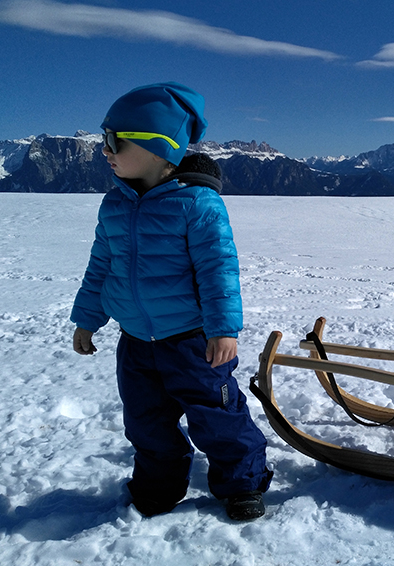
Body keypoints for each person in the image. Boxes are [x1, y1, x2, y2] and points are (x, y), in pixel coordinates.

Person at [70, 82, 272, 521]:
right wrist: (87, 320)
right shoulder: (114, 204)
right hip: (137, 343)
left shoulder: (197, 204)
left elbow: (218, 270)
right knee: (145, 423)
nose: (103, 150)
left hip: (193, 343)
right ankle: (158, 486)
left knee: (218, 417)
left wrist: (222, 329)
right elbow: (101, 266)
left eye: (113, 140)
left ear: (158, 147)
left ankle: (242, 483)